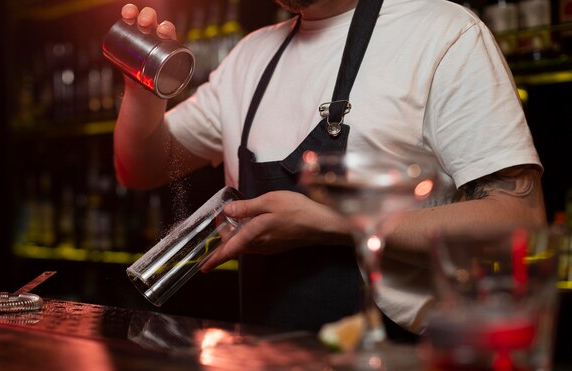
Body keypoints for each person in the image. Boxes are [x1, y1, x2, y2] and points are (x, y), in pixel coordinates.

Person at [113, 0, 546, 338]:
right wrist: (142, 92)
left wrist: (335, 223)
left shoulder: (445, 34)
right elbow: (141, 167)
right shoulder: (251, 57)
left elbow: (518, 222)